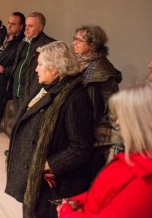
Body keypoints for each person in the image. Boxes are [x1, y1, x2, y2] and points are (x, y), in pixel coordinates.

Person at [5, 41, 94, 218]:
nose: (36, 69)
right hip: (34, 180)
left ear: (56, 68)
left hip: (51, 186)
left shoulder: (75, 97)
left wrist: (49, 165)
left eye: (40, 64)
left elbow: (82, 147)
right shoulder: (45, 88)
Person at [58, 81, 152, 217]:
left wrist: (66, 213)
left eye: (123, 116)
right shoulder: (140, 159)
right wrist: (78, 201)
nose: (118, 122)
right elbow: (106, 193)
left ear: (142, 123)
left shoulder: (150, 178)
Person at [72, 25, 123, 178]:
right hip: (77, 122)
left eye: (79, 40)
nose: (74, 43)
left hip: (92, 128)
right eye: (74, 39)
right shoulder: (78, 64)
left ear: (92, 45)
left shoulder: (104, 72)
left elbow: (112, 106)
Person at [9, 12, 55, 116]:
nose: (26, 29)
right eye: (26, 25)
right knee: (18, 121)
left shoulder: (49, 45)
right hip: (16, 90)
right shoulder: (23, 42)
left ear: (40, 28)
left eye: (30, 26)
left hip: (31, 93)